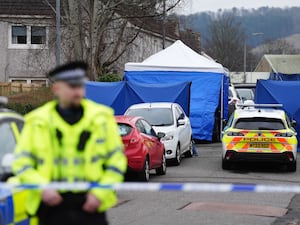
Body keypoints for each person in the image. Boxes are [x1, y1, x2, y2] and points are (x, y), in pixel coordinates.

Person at [12, 61, 127, 225]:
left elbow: (117, 161)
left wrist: (100, 193)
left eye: (80, 86)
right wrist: (41, 187)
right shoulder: (37, 121)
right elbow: (21, 163)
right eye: (72, 87)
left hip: (90, 205)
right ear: (56, 89)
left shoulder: (102, 118)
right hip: (50, 206)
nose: (77, 91)